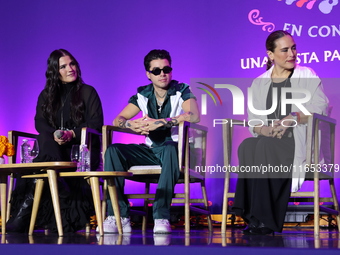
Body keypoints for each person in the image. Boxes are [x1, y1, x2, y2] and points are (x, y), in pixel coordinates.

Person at [232, 30, 328, 235]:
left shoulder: (306, 75)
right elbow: (254, 122)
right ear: (270, 55)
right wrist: (265, 129)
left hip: (298, 141)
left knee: (264, 146)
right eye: (285, 50)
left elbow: (321, 108)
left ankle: (265, 219)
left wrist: (292, 118)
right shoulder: (260, 82)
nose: (292, 53)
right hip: (270, 141)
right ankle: (252, 215)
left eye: (293, 48)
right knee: (247, 145)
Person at [102, 49, 200, 234]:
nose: (162, 74)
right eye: (156, 71)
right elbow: (118, 120)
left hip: (175, 151)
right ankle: (118, 214)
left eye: (166, 69)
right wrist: (131, 124)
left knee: (171, 148)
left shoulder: (182, 90)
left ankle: (161, 215)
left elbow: (194, 115)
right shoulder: (143, 94)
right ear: (148, 74)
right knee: (113, 151)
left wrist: (162, 122)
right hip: (151, 150)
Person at [7, 49, 104, 233]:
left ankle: (22, 216)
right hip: (54, 150)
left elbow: (96, 123)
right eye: (63, 66)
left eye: (72, 64)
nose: (70, 69)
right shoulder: (46, 95)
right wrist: (55, 135)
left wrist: (71, 135)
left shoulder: (87, 92)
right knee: (45, 138)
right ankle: (59, 186)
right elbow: (39, 122)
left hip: (79, 151)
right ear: (55, 72)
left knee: (42, 158)